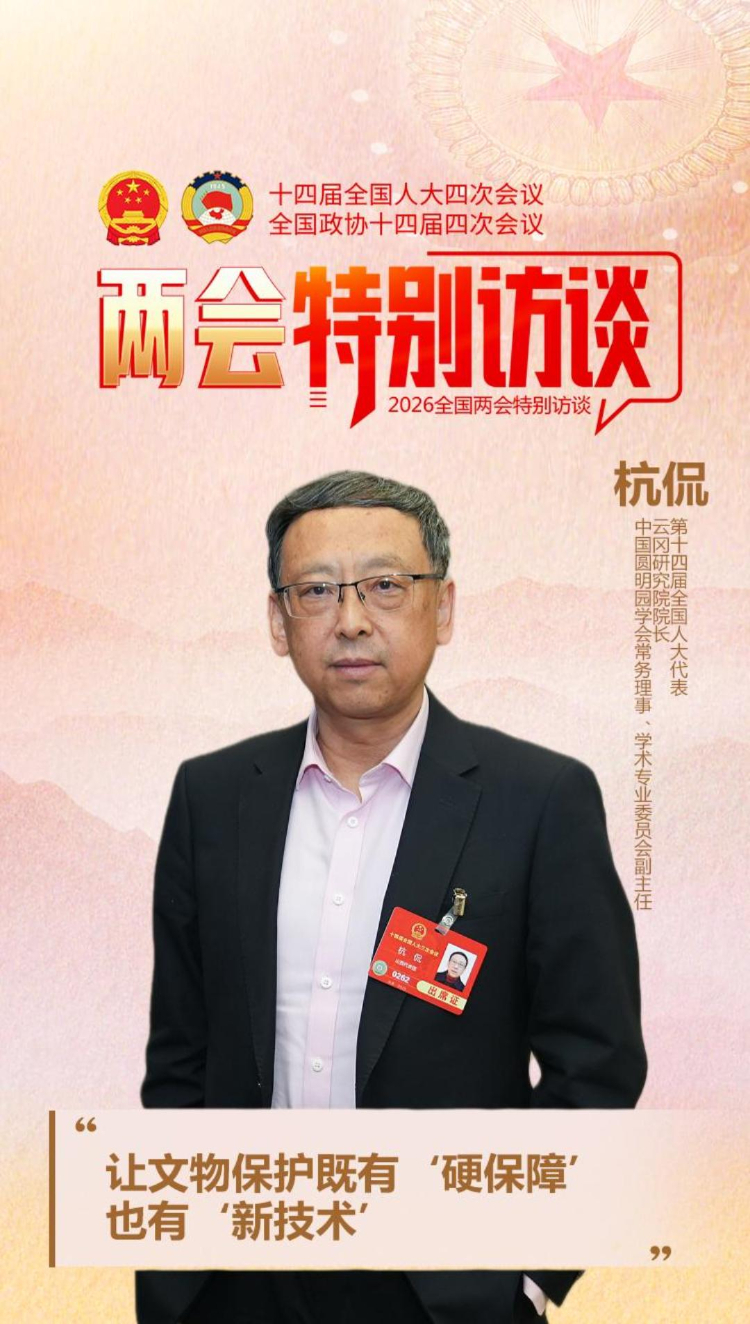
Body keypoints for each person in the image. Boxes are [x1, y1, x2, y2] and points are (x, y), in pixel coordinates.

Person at [137, 470, 647, 1324]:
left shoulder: (538, 801)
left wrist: (526, 1272)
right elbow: (180, 1057)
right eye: (316, 591)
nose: (351, 620)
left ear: (442, 608)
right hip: (236, 1274)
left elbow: (596, 1065)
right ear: (278, 621)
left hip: (439, 1290)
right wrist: (174, 1271)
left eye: (385, 585)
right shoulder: (212, 797)